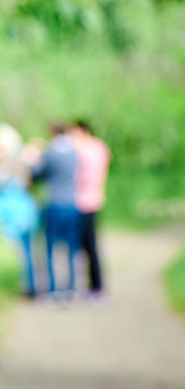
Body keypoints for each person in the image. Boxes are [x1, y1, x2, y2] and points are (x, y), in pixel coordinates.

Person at [0, 124, 39, 297]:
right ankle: (25, 285)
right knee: (22, 250)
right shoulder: (10, 162)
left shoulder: (14, 162)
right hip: (13, 211)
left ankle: (28, 286)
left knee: (22, 251)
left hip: (17, 213)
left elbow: (20, 185)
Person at [29, 123, 80, 299]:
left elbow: (37, 174)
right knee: (72, 248)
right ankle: (72, 289)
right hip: (73, 203)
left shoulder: (51, 154)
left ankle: (52, 291)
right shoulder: (75, 153)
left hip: (54, 203)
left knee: (50, 248)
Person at [70, 120, 111, 300]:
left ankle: (96, 286)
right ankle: (93, 285)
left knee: (89, 247)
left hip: (85, 202)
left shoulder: (87, 150)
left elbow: (83, 175)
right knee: (89, 247)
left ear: (82, 131)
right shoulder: (100, 148)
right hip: (94, 201)